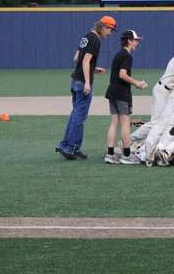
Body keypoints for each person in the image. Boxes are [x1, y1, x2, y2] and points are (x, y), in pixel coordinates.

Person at [56, 15, 117, 159]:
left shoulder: (87, 37)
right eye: (110, 30)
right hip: (82, 81)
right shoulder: (95, 40)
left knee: (77, 114)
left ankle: (73, 147)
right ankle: (68, 147)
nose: (110, 33)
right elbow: (85, 60)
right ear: (103, 27)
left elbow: (77, 58)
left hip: (75, 79)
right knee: (79, 116)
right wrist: (88, 82)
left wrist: (94, 69)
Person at [104, 30, 148, 164]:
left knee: (114, 122)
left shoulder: (119, 54)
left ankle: (110, 154)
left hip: (112, 91)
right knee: (125, 124)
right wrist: (137, 83)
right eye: (135, 40)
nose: (137, 43)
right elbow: (122, 74)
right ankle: (127, 155)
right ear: (129, 41)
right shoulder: (127, 56)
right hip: (122, 93)